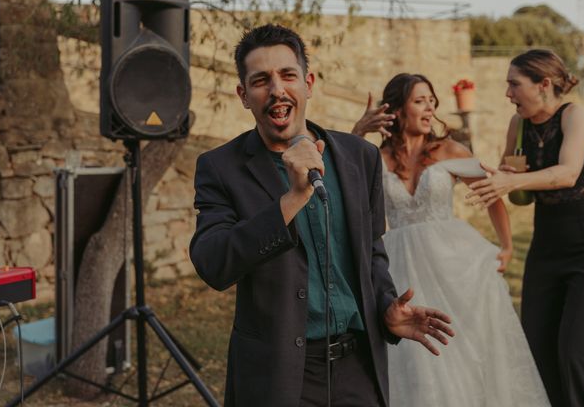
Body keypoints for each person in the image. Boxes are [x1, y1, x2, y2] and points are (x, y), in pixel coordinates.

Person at [189, 24, 454, 407]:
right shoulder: (220, 167)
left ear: (308, 83)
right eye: (261, 80)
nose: (277, 90)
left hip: (358, 366)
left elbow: (372, 250)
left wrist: (385, 308)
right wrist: (292, 198)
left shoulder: (359, 156)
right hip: (277, 376)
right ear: (243, 95)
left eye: (288, 75)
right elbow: (213, 262)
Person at [352, 73, 550, 406]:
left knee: (461, 353)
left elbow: (492, 194)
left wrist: (506, 245)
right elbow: (344, 183)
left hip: (453, 265)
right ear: (397, 110)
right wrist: (358, 133)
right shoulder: (374, 158)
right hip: (400, 264)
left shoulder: (449, 149)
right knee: (416, 362)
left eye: (432, 101)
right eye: (419, 101)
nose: (429, 109)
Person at [468, 49, 584, 407]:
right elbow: (515, 185)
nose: (507, 93)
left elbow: (568, 173)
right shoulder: (517, 125)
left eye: (514, 84)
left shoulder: (575, 115)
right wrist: (495, 177)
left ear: (544, 84)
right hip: (547, 250)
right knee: (538, 355)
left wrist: (509, 183)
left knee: (578, 356)